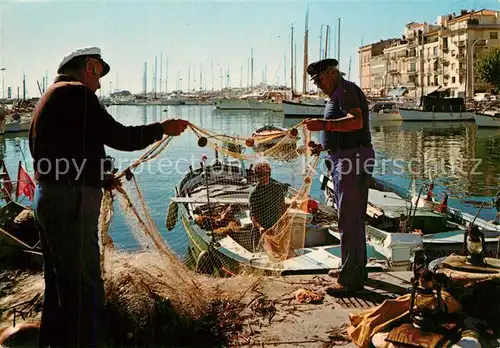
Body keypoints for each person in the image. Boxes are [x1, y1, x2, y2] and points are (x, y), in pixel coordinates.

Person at [29, 47, 188, 347]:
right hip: (70, 202)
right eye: (99, 75)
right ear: (89, 66)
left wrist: (100, 177)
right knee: (85, 286)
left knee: (58, 285)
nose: (100, 84)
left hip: (48, 197)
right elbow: (119, 136)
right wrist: (162, 129)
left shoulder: (50, 98)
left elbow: (63, 151)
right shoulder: (77, 94)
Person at [303, 58, 375, 292]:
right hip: (344, 157)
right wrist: (324, 146)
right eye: (315, 81)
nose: (318, 84)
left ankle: (350, 280)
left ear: (332, 73)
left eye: (319, 79)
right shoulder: (337, 94)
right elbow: (344, 132)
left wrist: (323, 125)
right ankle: (354, 268)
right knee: (352, 218)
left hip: (351, 160)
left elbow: (356, 122)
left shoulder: (346, 91)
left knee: (349, 219)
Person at [248, 162, 289, 249]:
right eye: (261, 175)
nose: (265, 177)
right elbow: (253, 216)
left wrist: (285, 221)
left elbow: (283, 206)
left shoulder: (278, 188)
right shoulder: (254, 193)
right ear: (257, 176)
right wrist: (260, 228)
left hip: (276, 228)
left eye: (267, 174)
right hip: (262, 231)